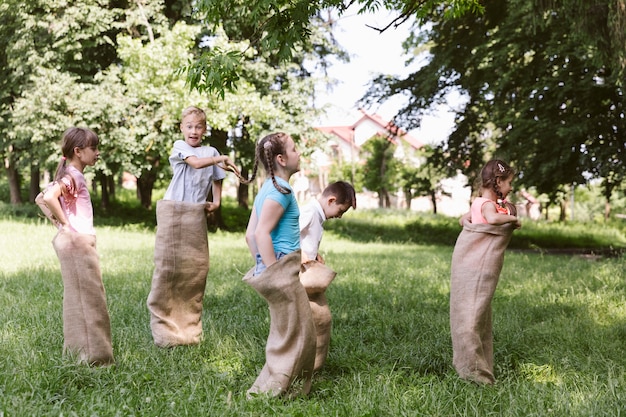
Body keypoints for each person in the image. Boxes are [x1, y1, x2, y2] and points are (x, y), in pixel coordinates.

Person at [147, 106, 233, 348]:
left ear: (204, 130)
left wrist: (216, 202)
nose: (194, 131)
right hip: (174, 210)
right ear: (181, 128)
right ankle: (165, 331)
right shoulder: (180, 146)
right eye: (189, 126)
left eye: (198, 127)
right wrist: (220, 158)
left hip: (195, 213)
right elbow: (196, 164)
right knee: (169, 267)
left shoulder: (211, 151)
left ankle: (189, 330)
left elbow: (217, 178)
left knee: (194, 269)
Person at [242, 132, 316, 398]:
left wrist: (261, 264)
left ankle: (279, 386)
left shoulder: (267, 188)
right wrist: (275, 274)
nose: (299, 153)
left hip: (273, 266)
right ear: (282, 159)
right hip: (282, 268)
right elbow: (261, 234)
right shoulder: (281, 191)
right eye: (294, 149)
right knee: (299, 335)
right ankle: (280, 390)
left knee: (286, 332)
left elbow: (250, 235)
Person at [36, 127, 114, 366]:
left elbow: (41, 198)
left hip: (75, 242)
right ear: (78, 151)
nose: (98, 153)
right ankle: (93, 357)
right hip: (79, 242)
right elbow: (48, 198)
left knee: (80, 297)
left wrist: (59, 224)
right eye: (94, 148)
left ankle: (81, 352)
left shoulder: (68, 174)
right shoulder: (74, 176)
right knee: (90, 298)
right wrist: (67, 225)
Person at [450, 159, 521, 385]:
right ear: (498, 182)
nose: (510, 188)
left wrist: (470, 221)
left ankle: (478, 366)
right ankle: (474, 373)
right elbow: (492, 219)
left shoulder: (477, 202)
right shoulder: (487, 206)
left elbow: (464, 220)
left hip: (474, 266)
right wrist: (513, 219)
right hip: (475, 264)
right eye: (509, 183)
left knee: (479, 313)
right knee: (472, 317)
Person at [299, 181, 356, 371]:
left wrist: (315, 255)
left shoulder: (317, 215)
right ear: (331, 200)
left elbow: (306, 239)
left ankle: (312, 365)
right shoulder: (310, 212)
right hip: (299, 271)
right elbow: (288, 234)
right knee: (311, 315)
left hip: (308, 267)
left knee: (320, 317)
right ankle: (305, 364)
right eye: (340, 211)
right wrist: (301, 255)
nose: (339, 216)